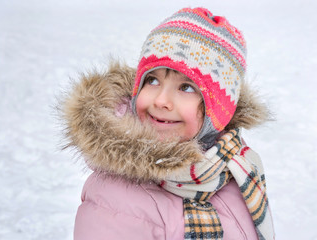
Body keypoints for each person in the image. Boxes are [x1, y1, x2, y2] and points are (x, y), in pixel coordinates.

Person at [62, 7, 275, 240]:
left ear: (220, 111)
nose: (161, 100)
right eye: (152, 80)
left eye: (186, 87)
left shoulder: (233, 167)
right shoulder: (114, 201)